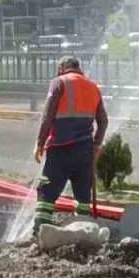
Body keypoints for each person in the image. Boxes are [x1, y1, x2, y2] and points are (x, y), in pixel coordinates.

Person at [32, 56, 108, 230]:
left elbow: (47, 116)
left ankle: (40, 229)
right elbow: (103, 121)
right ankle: (83, 231)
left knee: (46, 192)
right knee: (82, 196)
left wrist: (40, 142)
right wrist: (96, 144)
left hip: (60, 150)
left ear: (61, 67)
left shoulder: (59, 83)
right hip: (85, 151)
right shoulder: (93, 87)